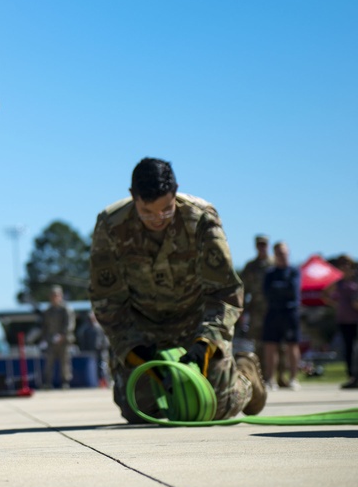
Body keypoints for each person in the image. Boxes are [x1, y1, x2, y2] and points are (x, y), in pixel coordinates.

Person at [88, 157, 266, 423]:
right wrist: (135, 349)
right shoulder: (111, 225)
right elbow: (107, 300)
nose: (158, 219)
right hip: (144, 332)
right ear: (132, 197)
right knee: (140, 410)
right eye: (147, 212)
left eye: (166, 210)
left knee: (217, 405)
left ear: (176, 192)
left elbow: (226, 292)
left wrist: (206, 343)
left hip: (196, 327)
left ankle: (245, 375)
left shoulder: (201, 218)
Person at [262, 241, 303, 390]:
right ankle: (270, 379)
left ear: (288, 253)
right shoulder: (270, 273)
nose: (282, 255)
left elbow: (293, 290)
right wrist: (281, 288)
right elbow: (267, 292)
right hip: (273, 311)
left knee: (292, 345)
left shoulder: (294, 271)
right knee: (270, 345)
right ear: (275, 255)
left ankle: (293, 378)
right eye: (279, 253)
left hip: (290, 312)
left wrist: (278, 288)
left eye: (284, 253)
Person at [323, 255, 358, 389]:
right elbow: (325, 293)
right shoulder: (339, 283)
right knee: (348, 350)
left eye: (347, 263)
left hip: (356, 320)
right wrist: (336, 304)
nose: (345, 266)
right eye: (342, 264)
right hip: (344, 320)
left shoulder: (356, 281)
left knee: (356, 349)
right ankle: (352, 377)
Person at [239, 235, 272, 361]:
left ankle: (275, 374)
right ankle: (259, 371)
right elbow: (242, 288)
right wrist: (241, 308)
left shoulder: (273, 264)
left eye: (264, 244)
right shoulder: (251, 266)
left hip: (273, 310)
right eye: (259, 245)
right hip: (256, 309)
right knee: (256, 341)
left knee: (274, 342)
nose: (261, 247)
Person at [40, 285, 75, 389]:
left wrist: (63, 335)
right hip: (51, 341)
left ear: (61, 296)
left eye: (56, 295)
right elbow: (44, 326)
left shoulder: (66, 309)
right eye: (52, 295)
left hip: (64, 341)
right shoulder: (48, 311)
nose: (54, 297)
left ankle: (65, 382)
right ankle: (47, 382)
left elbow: (70, 324)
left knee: (65, 362)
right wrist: (44, 338)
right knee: (49, 362)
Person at [77, 312, 109, 388]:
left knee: (103, 366)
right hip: (90, 352)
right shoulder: (85, 329)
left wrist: (103, 346)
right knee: (92, 368)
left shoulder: (100, 328)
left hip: (101, 351)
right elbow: (83, 340)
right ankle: (96, 382)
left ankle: (105, 381)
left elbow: (105, 339)